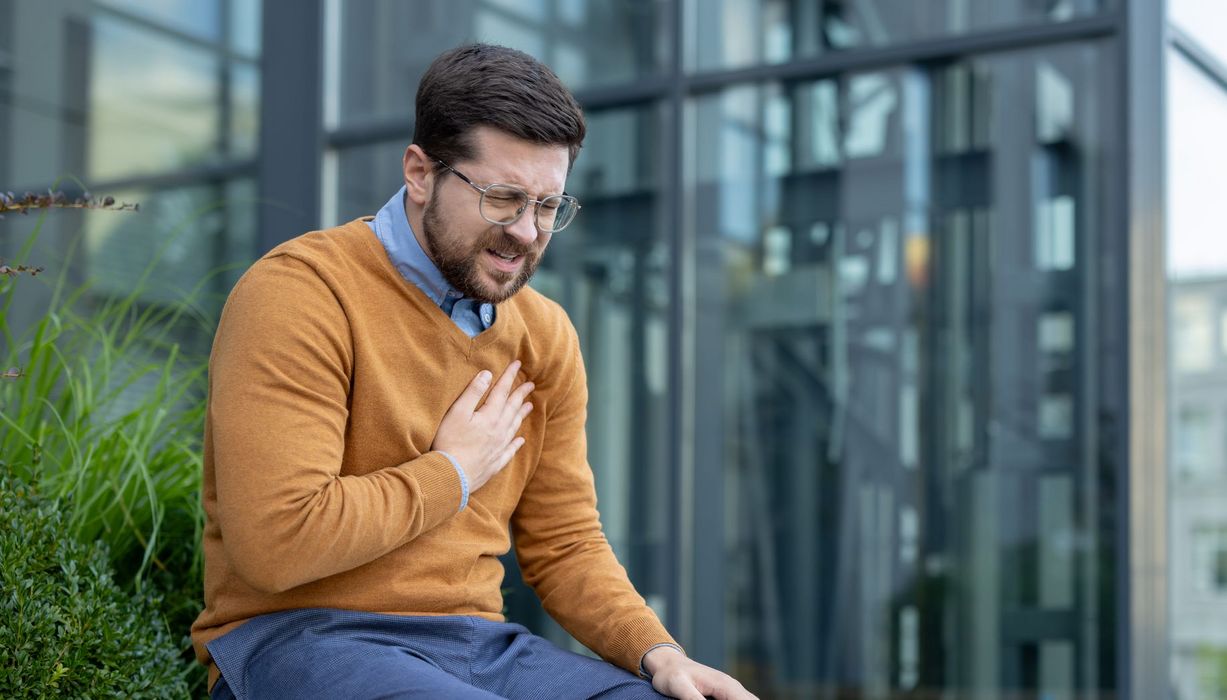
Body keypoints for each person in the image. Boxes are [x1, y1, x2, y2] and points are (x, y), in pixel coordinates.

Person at [190, 43, 755, 700]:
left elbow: (565, 540)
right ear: (420, 173)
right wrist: (452, 473)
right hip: (299, 640)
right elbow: (278, 541)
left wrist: (655, 651)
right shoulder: (304, 293)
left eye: (548, 206)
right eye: (503, 197)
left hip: (476, 647)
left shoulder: (543, 336)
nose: (527, 232)